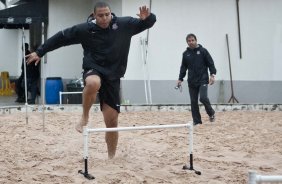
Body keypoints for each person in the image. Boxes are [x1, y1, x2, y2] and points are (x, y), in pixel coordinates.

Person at [26, 2, 156, 158]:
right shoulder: (84, 29)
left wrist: (148, 18)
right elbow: (60, 38)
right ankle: (85, 116)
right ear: (94, 15)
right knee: (93, 83)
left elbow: (148, 23)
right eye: (100, 15)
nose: (104, 18)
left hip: (113, 76)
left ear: (111, 13)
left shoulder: (123, 24)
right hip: (93, 68)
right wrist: (40, 52)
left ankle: (111, 157)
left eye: (107, 14)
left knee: (112, 123)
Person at [176, 33, 217, 126]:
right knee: (193, 102)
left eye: (192, 40)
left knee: (203, 98)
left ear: (196, 40)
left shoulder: (203, 51)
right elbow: (183, 67)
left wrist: (212, 75)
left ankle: (211, 113)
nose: (191, 42)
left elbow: (211, 63)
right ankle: (197, 121)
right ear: (187, 42)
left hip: (203, 79)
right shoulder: (185, 54)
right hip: (191, 81)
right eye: (189, 41)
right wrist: (180, 79)